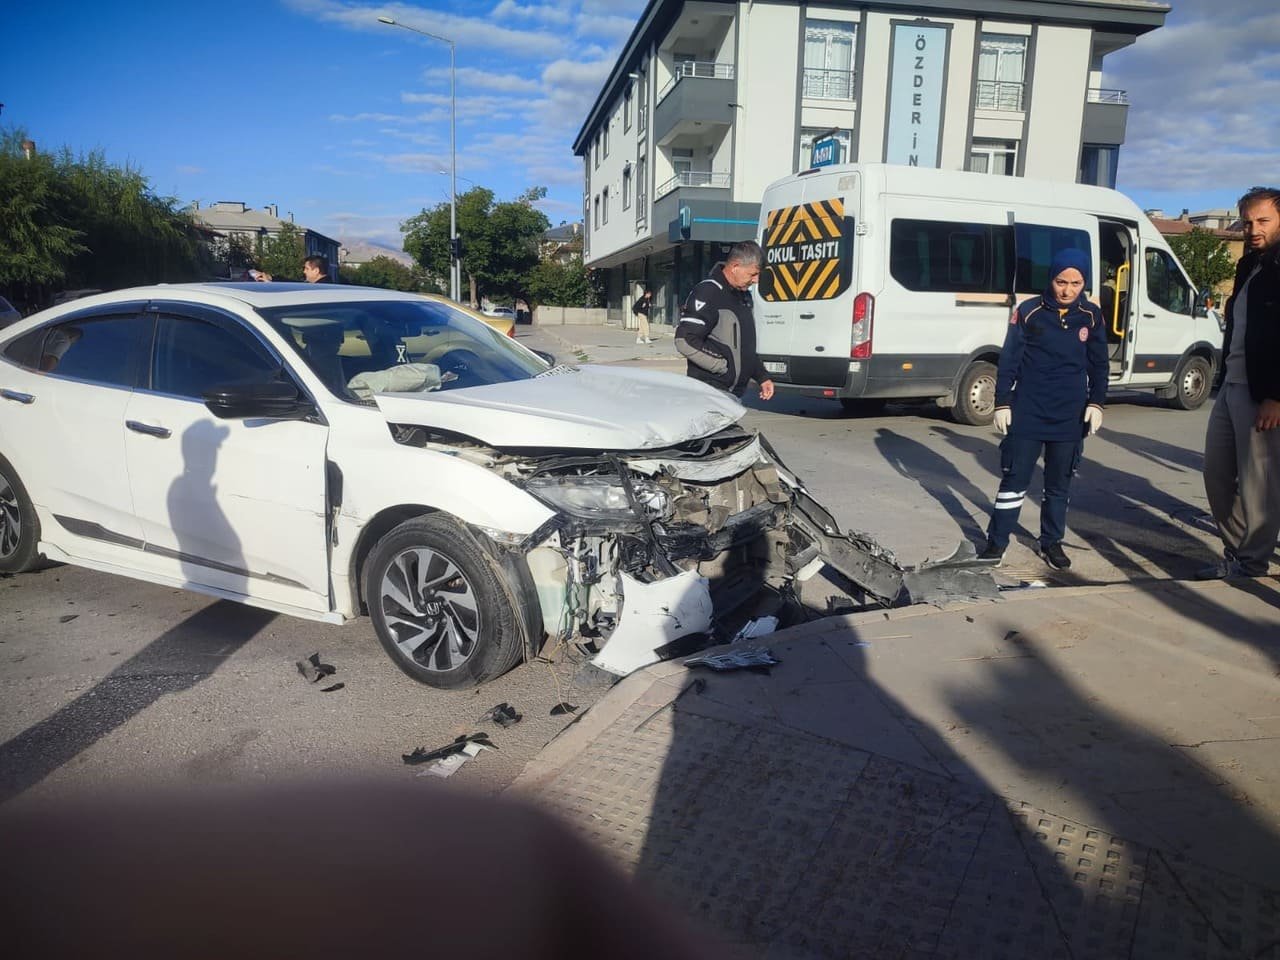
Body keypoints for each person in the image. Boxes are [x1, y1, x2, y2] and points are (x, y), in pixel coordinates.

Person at [980, 248, 1109, 570]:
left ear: (1085, 283)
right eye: (1061, 281)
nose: (1067, 290)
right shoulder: (1028, 311)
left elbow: (1099, 364)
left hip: (1070, 414)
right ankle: (996, 543)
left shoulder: (1091, 316)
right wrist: (1003, 402)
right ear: (1051, 279)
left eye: (1076, 283)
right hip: (1028, 410)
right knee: (1014, 481)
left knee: (1058, 486)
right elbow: (1010, 358)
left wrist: (1096, 402)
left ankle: (1051, 542)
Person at [1198, 185, 1280, 579]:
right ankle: (1237, 551)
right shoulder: (1249, 265)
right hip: (1231, 384)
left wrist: (1276, 397)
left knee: (1258, 485)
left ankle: (1252, 564)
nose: (1253, 229)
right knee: (1216, 474)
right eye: (1248, 222)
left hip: (1263, 392)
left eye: (1263, 220)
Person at [674, 240, 774, 401]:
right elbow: (684, 340)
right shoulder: (708, 291)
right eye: (753, 274)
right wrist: (722, 366)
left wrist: (762, 376)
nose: (756, 280)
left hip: (733, 392)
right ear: (735, 267)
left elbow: (745, 346)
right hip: (709, 389)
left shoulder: (744, 296)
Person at [253, 255, 332, 283]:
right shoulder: (324, 286)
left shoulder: (318, 290)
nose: (304, 271)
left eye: (307, 269)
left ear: (316, 271)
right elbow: (293, 283)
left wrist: (270, 285)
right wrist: (271, 278)